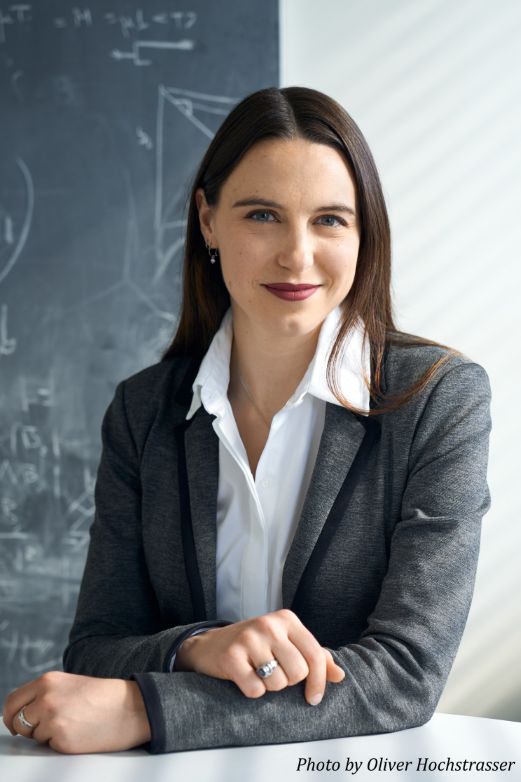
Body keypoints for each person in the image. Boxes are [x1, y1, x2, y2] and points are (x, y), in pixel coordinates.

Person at [2, 86, 491, 754]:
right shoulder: (142, 413)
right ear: (208, 220)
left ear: (363, 232)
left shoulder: (438, 400)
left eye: (328, 220)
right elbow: (96, 649)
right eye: (262, 215)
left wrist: (150, 709)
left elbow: (405, 675)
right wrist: (200, 648)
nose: (296, 255)